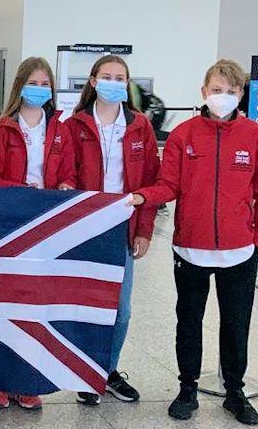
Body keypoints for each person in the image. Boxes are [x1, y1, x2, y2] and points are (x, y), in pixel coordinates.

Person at [130, 60, 258, 426]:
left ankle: (234, 392)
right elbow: (169, 185)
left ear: (242, 95)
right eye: (216, 89)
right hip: (190, 248)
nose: (222, 97)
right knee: (189, 322)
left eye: (230, 91)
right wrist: (140, 197)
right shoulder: (184, 134)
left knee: (235, 323)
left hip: (240, 251)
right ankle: (187, 388)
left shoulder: (256, 136)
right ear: (203, 91)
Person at [64, 54, 159, 406]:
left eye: (121, 78)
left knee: (121, 308)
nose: (114, 83)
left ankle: (108, 371)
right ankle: (84, 371)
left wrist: (144, 230)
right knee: (85, 304)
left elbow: (151, 181)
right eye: (107, 76)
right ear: (92, 82)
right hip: (84, 229)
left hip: (122, 227)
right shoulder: (75, 126)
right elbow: (66, 175)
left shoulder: (139, 127)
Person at [0, 57, 75, 411]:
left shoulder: (60, 129)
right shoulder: (2, 128)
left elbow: (68, 174)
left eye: (44, 83)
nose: (38, 89)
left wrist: (63, 186)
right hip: (8, 224)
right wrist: (22, 190)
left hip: (44, 227)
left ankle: (27, 380)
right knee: (2, 304)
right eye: (32, 82)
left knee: (35, 307)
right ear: (19, 86)